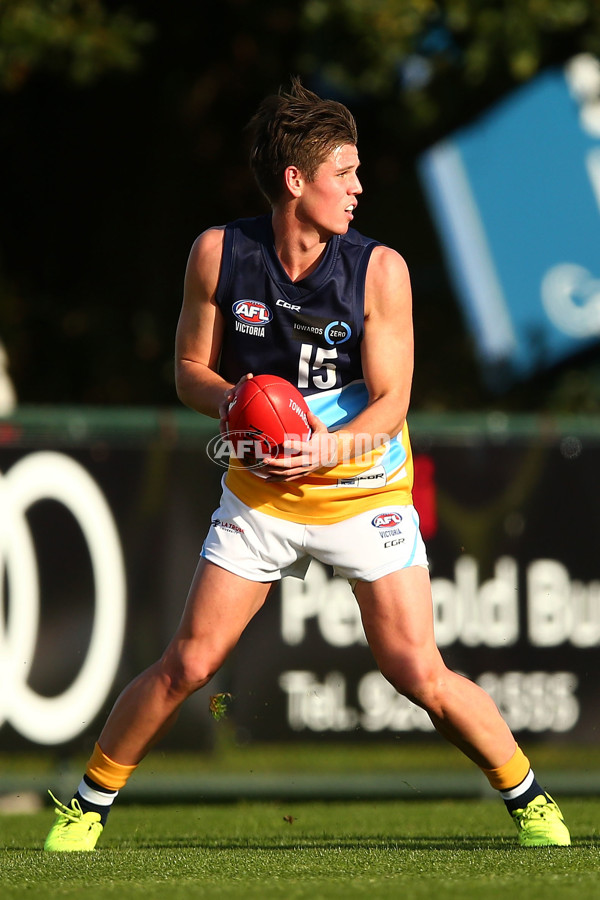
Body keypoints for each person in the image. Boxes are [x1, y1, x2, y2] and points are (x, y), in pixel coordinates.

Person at [44, 78, 570, 851]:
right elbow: (189, 371)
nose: (358, 189)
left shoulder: (378, 270)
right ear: (295, 180)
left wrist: (327, 446)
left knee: (417, 672)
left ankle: (530, 801)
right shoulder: (220, 254)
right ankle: (86, 808)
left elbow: (393, 402)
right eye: (344, 173)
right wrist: (235, 401)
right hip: (263, 495)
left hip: (363, 490)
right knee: (188, 663)